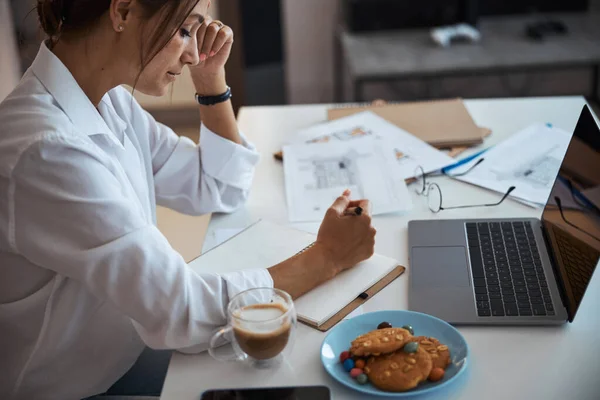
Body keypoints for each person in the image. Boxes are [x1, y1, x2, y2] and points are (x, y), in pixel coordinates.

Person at [0, 1, 377, 399]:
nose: (194, 53)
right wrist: (327, 257)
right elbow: (181, 309)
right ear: (123, 11)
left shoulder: (109, 104)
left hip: (119, 351)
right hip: (77, 386)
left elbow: (218, 185)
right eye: (185, 31)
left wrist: (211, 81)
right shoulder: (47, 150)